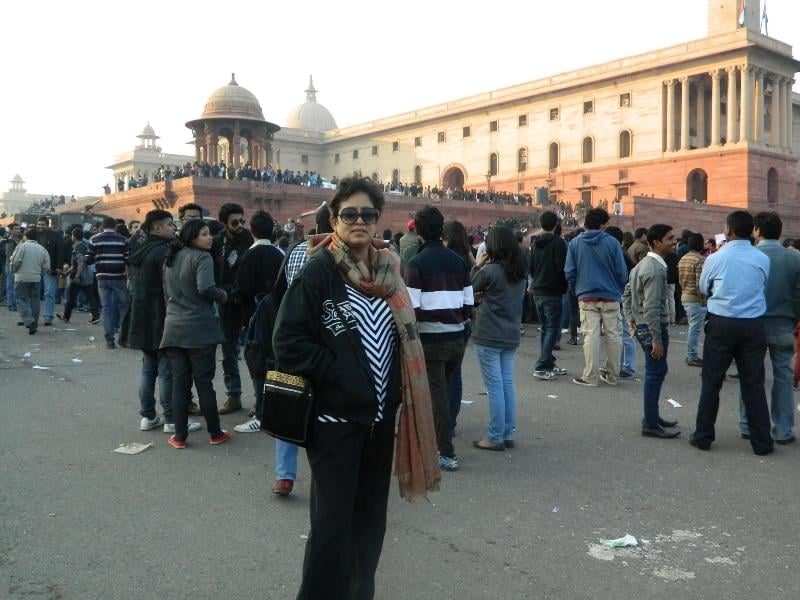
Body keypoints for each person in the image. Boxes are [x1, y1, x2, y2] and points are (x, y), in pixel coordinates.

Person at [273, 176, 439, 599]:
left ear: (378, 219)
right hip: (334, 421)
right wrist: (339, 372)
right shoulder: (319, 272)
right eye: (350, 213)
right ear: (334, 218)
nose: (359, 221)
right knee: (332, 526)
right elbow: (287, 343)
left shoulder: (389, 272)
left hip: (379, 422)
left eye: (368, 214)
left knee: (369, 521)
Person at [690, 211, 773, 456]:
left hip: (722, 323)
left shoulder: (715, 258)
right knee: (754, 384)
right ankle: (761, 442)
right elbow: (763, 286)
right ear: (752, 231)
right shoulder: (762, 258)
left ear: (728, 230)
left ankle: (703, 436)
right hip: (753, 324)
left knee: (712, 382)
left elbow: (704, 287)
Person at [404, 205, 474, 471]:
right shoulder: (457, 260)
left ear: (419, 232)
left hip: (432, 340)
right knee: (444, 389)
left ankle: (446, 451)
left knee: (437, 395)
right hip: (457, 337)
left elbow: (413, 310)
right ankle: (437, 440)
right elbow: (469, 303)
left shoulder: (416, 263)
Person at [160, 219, 230, 449]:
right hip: (199, 329)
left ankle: (179, 436)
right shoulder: (202, 258)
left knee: (180, 384)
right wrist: (223, 295)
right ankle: (215, 433)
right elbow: (205, 288)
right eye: (204, 234)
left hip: (173, 328)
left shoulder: (172, 257)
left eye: (210, 234)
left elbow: (166, 293)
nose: (209, 238)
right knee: (204, 384)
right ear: (192, 237)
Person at [737, 212, 800, 445]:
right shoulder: (795, 258)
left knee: (750, 375)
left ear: (757, 231)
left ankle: (746, 424)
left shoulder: (750, 256)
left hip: (752, 322)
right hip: (783, 323)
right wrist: (794, 318)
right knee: (783, 377)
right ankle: (783, 429)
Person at [471, 227, 528, 450]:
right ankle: (507, 433)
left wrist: (477, 264)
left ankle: (495, 436)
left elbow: (468, 288)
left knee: (494, 387)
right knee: (506, 384)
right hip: (510, 333)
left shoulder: (490, 271)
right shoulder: (520, 271)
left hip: (488, 334)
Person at [623, 224, 680, 439]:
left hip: (642, 324)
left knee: (657, 372)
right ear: (656, 243)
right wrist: (656, 338)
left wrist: (631, 319)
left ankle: (653, 416)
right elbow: (653, 306)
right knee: (655, 373)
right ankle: (650, 421)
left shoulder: (642, 264)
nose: (674, 241)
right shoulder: (655, 269)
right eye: (670, 238)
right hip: (651, 326)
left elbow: (627, 294)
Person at [233, 210, 284, 433]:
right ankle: (269, 406)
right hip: (278, 317)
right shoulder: (280, 253)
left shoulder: (249, 256)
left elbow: (242, 290)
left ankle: (262, 411)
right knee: (272, 361)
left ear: (251, 230)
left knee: (256, 362)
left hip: (255, 317)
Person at [565, 208, 628, 387]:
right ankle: (612, 375)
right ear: (602, 224)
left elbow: (569, 271)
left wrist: (577, 288)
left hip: (586, 295)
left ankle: (590, 376)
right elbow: (622, 273)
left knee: (590, 335)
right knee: (613, 335)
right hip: (610, 295)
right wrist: (617, 288)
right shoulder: (613, 243)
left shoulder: (575, 243)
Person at [211, 203, 254, 414]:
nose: (239, 225)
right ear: (224, 223)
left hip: (247, 302)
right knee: (228, 353)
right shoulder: (217, 242)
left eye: (241, 221)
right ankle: (234, 396)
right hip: (226, 303)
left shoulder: (249, 239)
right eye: (234, 222)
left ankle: (260, 401)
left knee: (255, 352)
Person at [442, 220, 475, 436]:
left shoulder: (445, 260)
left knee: (439, 377)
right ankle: (450, 424)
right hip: (463, 321)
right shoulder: (469, 260)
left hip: (443, 322)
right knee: (455, 375)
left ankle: (442, 425)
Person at [530, 210, 568, 380]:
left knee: (546, 328)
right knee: (553, 328)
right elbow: (561, 268)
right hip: (552, 290)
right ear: (555, 225)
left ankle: (548, 362)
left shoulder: (535, 243)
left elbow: (530, 267)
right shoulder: (558, 243)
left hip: (538, 290)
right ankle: (542, 365)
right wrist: (564, 286)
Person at [87, 216, 130, 349]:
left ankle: (109, 340)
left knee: (107, 308)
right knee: (124, 307)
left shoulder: (94, 239)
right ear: (115, 226)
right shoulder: (123, 240)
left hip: (102, 278)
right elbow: (128, 259)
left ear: (102, 226)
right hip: (119, 277)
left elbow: (89, 260)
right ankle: (124, 338)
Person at [10, 227, 50, 334]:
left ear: (26, 236)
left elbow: (16, 261)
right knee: (35, 301)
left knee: (21, 300)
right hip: (36, 279)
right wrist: (40, 272)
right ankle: (34, 323)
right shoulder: (42, 249)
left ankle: (29, 320)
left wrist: (13, 270)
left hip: (21, 278)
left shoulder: (22, 246)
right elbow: (47, 266)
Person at [56, 228, 100, 324]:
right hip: (86, 276)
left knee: (71, 297)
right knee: (90, 297)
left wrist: (76, 275)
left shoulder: (78, 248)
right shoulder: (84, 246)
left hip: (80, 277)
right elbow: (75, 265)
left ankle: (66, 316)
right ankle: (95, 316)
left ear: (74, 236)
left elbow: (80, 263)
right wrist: (66, 273)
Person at [678, 233, 706, 366]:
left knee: (692, 327)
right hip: (695, 299)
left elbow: (680, 280)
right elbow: (700, 284)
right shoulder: (700, 260)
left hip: (685, 295)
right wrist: (703, 300)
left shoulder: (683, 258)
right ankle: (692, 356)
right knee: (695, 329)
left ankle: (691, 355)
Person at [35, 215, 65, 326]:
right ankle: (33, 317)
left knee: (49, 293)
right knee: (34, 294)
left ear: (48, 225)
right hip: (36, 269)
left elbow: (60, 252)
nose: (40, 227)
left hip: (50, 269)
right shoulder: (34, 235)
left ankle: (48, 317)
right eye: (39, 224)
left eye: (42, 225)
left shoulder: (55, 236)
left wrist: (59, 267)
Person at [2, 224, 22, 311]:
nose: (18, 230)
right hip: (11, 266)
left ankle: (14, 303)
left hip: (16, 266)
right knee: (10, 285)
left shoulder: (18, 240)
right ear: (11, 231)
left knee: (15, 286)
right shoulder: (10, 241)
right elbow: (9, 256)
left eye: (18, 229)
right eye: (15, 229)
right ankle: (11, 304)